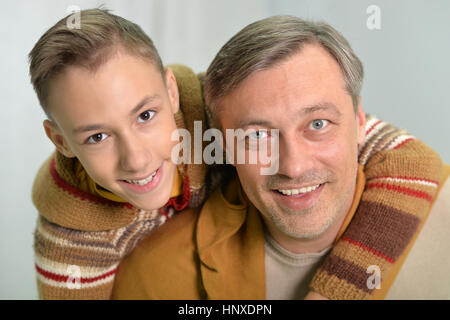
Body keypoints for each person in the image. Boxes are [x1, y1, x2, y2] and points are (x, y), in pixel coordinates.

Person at [111, 15, 448, 300]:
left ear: (360, 123)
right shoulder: (154, 273)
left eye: (318, 124)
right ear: (222, 147)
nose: (294, 166)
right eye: (256, 135)